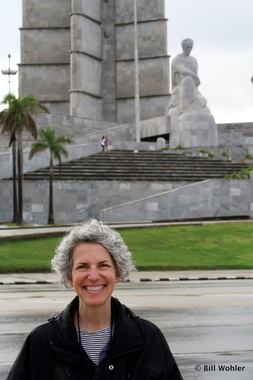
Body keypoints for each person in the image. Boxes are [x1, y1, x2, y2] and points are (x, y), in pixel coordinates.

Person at [6, 219, 183, 380]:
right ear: (69, 276)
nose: (93, 276)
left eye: (103, 265)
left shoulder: (148, 338)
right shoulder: (41, 342)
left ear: (118, 273)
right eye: (82, 266)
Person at [169, 38, 210, 115]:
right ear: (183, 47)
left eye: (191, 47)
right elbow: (182, 70)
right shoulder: (177, 59)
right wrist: (194, 76)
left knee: (203, 102)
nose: (190, 49)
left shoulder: (193, 60)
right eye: (188, 47)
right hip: (180, 88)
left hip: (193, 89)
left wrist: (195, 80)